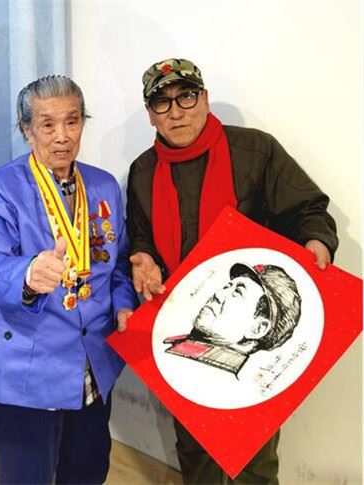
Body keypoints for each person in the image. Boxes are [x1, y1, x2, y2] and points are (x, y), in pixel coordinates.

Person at [127, 58, 338, 483]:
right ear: (150, 113)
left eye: (186, 97)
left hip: (251, 351)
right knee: (194, 452)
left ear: (204, 98)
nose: (176, 112)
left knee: (254, 460)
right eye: (162, 103)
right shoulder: (143, 171)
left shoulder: (255, 151)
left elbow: (307, 210)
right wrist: (143, 256)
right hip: (182, 334)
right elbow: (140, 235)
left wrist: (317, 240)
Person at [0, 75, 137, 484]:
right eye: (47, 124)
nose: (62, 136)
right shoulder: (1, 188)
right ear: (27, 130)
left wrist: (124, 304)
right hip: (28, 369)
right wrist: (27, 273)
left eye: (72, 121)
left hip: (94, 365)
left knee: (88, 473)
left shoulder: (103, 185)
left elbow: (118, 263)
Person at [164, 263, 301, 375]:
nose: (218, 294)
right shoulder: (181, 352)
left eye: (237, 292)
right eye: (226, 287)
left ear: (257, 328)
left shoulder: (210, 374)